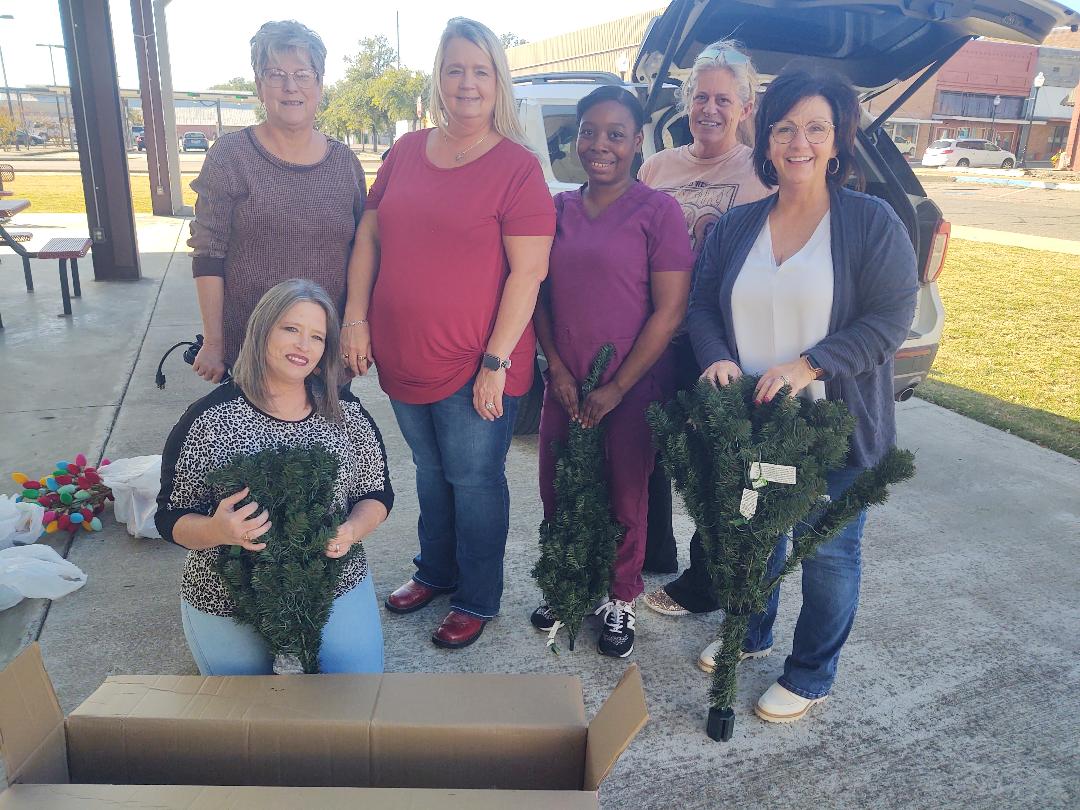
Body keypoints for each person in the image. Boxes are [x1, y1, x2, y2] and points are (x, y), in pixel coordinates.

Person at [685, 68, 918, 722]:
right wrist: (717, 358)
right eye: (786, 127)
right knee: (756, 542)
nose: (800, 142)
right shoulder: (739, 225)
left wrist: (811, 365)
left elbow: (890, 319)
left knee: (828, 557)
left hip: (833, 435)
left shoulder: (870, 222)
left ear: (838, 140)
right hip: (753, 430)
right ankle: (753, 633)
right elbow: (702, 307)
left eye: (817, 128)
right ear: (765, 138)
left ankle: (812, 674)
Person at [341, 17, 555, 649]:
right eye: (455, 69)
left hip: (475, 366)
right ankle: (435, 571)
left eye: (480, 71)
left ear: (498, 82)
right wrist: (356, 316)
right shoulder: (405, 152)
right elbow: (369, 237)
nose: (467, 83)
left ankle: (476, 598)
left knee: (474, 481)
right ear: (438, 77)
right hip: (403, 356)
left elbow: (529, 273)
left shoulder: (518, 168)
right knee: (431, 473)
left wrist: (496, 361)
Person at [155, 280, 393, 675]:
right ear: (262, 329)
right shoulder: (208, 419)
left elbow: (376, 493)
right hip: (228, 591)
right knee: (244, 702)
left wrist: (352, 529)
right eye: (290, 329)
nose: (303, 345)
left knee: (356, 688)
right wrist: (217, 530)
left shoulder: (345, 412)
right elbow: (170, 516)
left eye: (317, 336)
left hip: (331, 580)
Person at [529, 86, 692, 658]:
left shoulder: (658, 211)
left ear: (637, 141)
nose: (600, 145)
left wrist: (619, 387)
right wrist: (557, 368)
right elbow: (538, 295)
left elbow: (670, 310)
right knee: (559, 487)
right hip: (566, 380)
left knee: (626, 496)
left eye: (615, 134)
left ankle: (620, 597)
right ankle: (568, 583)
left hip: (633, 383)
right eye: (589, 132)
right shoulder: (557, 210)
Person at [637, 40, 772, 580]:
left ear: (745, 107)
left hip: (720, 343)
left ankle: (706, 579)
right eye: (700, 97)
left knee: (715, 461)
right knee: (647, 448)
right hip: (656, 336)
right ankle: (652, 552)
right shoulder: (655, 168)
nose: (709, 109)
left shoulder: (761, 173)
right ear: (687, 102)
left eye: (723, 99)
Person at [188, 20, 366, 382]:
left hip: (324, 356)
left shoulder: (345, 164)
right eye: (275, 75)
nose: (290, 86)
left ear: (319, 85)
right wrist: (214, 342)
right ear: (258, 86)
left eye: (303, 74)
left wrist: (355, 324)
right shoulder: (230, 157)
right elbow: (208, 253)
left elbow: (362, 251)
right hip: (251, 354)